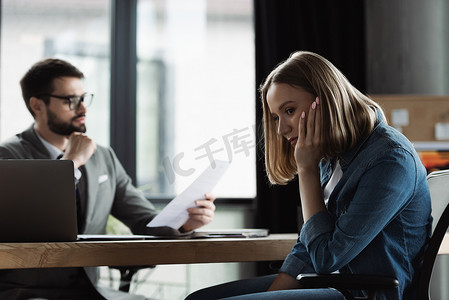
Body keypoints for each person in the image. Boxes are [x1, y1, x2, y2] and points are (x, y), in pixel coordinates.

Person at [186, 51, 432, 300]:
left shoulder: (390, 158)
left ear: (324, 100)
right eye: (275, 117)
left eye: (289, 110)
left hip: (363, 293)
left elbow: (327, 257)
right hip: (328, 283)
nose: (281, 129)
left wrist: (306, 171)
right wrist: (273, 295)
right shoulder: (333, 153)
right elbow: (309, 247)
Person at [0, 58, 216, 300]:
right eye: (71, 100)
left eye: (84, 98)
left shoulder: (103, 157)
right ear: (37, 105)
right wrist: (71, 163)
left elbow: (144, 219)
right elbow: (30, 222)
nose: (83, 108)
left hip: (89, 290)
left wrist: (185, 222)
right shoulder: (7, 155)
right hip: (28, 292)